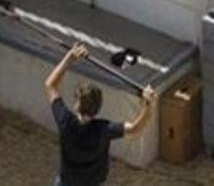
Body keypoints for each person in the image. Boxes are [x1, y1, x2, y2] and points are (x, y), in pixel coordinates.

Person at [43, 44, 156, 186]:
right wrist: (147, 105)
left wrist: (70, 58)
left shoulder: (65, 121)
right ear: (97, 107)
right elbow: (135, 128)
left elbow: (50, 85)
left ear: (77, 104)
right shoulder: (104, 129)